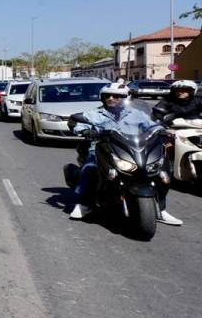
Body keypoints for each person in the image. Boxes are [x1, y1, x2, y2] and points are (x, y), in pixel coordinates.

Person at [68, 83, 181, 225]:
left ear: (125, 97)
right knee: (89, 168)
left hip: (133, 149)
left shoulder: (136, 114)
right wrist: (84, 130)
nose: (111, 98)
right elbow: (78, 123)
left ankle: (161, 209)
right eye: (107, 96)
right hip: (103, 149)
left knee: (162, 172)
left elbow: (151, 125)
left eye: (116, 96)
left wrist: (162, 130)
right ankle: (83, 204)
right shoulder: (94, 113)